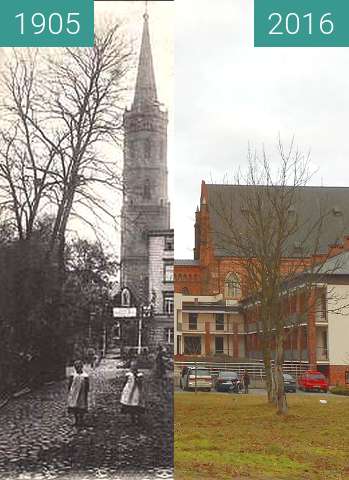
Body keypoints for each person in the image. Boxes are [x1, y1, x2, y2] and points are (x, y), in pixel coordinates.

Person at [67, 360, 90, 428]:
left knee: (81, 405)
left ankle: (82, 420)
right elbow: (70, 384)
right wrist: (70, 392)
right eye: (76, 367)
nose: (78, 368)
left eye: (79, 367)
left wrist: (86, 392)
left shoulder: (85, 376)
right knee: (74, 405)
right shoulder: (73, 375)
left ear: (82, 367)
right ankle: (76, 420)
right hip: (74, 393)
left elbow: (87, 385)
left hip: (82, 393)